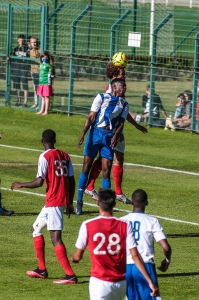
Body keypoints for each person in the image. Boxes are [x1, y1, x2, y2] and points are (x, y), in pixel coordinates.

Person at [11, 129, 77, 284]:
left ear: (42, 141)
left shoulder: (45, 156)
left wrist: (21, 184)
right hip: (56, 201)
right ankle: (41, 269)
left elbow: (39, 181)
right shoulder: (66, 155)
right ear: (55, 140)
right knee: (35, 229)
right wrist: (70, 201)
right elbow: (72, 180)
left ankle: (70, 275)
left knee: (56, 237)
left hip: (54, 200)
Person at [71, 188, 159, 299]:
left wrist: (73, 257)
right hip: (119, 282)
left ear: (98, 203)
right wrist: (149, 281)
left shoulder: (88, 225)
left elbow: (78, 257)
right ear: (114, 203)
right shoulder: (125, 225)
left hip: (99, 281)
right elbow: (135, 255)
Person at [84, 62, 147, 206]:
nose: (124, 75)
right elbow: (108, 113)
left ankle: (115, 192)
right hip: (109, 130)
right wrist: (116, 132)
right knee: (108, 159)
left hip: (116, 128)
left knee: (117, 158)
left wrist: (136, 125)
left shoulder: (121, 90)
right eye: (121, 73)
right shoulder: (110, 91)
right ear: (114, 76)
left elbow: (123, 112)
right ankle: (92, 187)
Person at [76, 78, 129, 215]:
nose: (125, 88)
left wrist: (116, 135)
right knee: (86, 167)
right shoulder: (101, 97)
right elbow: (90, 117)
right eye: (123, 86)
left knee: (106, 170)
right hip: (95, 134)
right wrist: (83, 134)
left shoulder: (124, 104)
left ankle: (106, 206)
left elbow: (121, 123)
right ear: (115, 87)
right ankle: (79, 201)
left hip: (108, 137)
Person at [120, 189, 172, 300]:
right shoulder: (152, 221)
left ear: (132, 202)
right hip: (145, 266)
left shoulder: (121, 221)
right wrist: (167, 260)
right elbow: (166, 247)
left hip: (125, 267)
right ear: (146, 203)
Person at [11, 34, 29, 107]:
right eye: (20, 40)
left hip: (23, 70)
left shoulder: (27, 49)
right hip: (16, 69)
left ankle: (25, 102)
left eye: (22, 40)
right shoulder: (15, 49)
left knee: (25, 86)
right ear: (18, 40)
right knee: (17, 86)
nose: (21, 41)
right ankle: (19, 101)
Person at [36, 51, 54, 115]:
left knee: (46, 97)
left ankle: (46, 111)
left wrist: (49, 79)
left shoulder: (49, 66)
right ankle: (41, 110)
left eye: (46, 57)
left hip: (46, 83)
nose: (44, 58)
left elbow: (51, 74)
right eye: (43, 57)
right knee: (42, 96)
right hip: (41, 82)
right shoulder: (40, 65)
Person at [28, 36, 41, 109]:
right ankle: (36, 103)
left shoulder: (40, 50)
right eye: (32, 42)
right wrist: (31, 71)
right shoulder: (30, 51)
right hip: (33, 72)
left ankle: (40, 103)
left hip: (40, 71)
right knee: (35, 88)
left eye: (35, 42)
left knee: (40, 88)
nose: (34, 44)